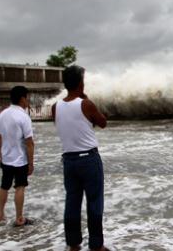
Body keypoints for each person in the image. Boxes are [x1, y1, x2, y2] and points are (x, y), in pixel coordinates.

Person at [52, 65, 109, 251]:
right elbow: (103, 122)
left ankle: (73, 244)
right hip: (88, 160)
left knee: (72, 202)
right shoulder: (86, 104)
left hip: (69, 160)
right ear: (79, 83)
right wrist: (88, 100)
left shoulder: (55, 107)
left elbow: (69, 124)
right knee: (94, 202)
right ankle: (96, 246)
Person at [0, 85, 35, 227]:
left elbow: (0, 138)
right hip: (20, 160)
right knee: (20, 187)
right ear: (22, 99)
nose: (27, 101)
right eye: (27, 98)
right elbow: (29, 142)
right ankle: (19, 218)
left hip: (6, 158)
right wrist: (31, 163)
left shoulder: (2, 115)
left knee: (4, 186)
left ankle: (0, 214)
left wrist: (1, 156)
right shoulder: (23, 117)